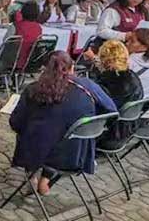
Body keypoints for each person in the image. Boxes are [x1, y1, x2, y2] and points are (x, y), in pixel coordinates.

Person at [9, 51, 116, 194]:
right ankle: (46, 180)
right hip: (76, 154)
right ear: (72, 68)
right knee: (60, 133)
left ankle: (32, 175)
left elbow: (16, 123)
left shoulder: (33, 89)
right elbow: (112, 110)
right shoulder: (89, 86)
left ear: (44, 69)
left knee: (38, 132)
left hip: (37, 152)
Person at [90, 40, 143, 109]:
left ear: (103, 59)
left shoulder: (103, 84)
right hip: (131, 117)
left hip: (109, 117)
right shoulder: (133, 76)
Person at [12, 1, 43, 69]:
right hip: (31, 60)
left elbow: (6, 41)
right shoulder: (39, 28)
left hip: (15, 60)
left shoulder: (16, 26)